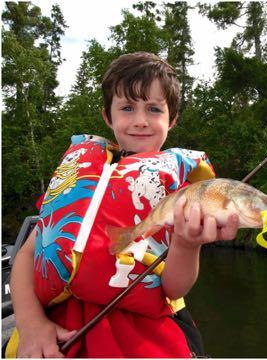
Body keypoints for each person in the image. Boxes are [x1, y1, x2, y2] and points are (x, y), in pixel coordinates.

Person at [8, 52, 243, 358]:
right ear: (108, 115)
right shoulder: (77, 177)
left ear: (172, 119)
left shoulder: (184, 192)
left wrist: (187, 244)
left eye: (154, 109)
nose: (141, 121)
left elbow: (174, 289)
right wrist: (30, 323)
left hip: (146, 330)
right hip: (64, 323)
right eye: (128, 108)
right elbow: (27, 255)